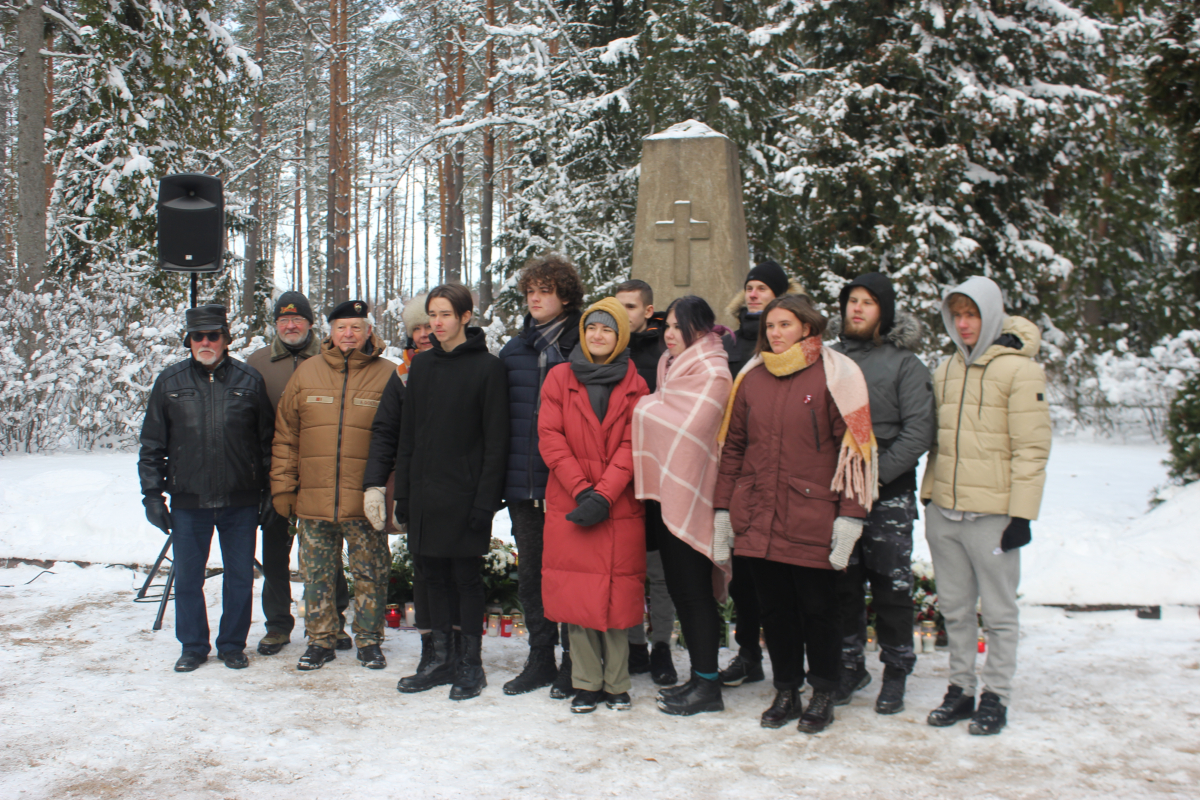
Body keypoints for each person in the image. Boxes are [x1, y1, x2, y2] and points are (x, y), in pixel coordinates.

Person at [715, 294, 874, 733]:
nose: (775, 333)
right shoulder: (751, 378)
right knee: (775, 612)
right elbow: (733, 449)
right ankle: (786, 689)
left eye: (785, 325)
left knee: (819, 610)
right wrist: (723, 509)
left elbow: (855, 454)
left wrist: (850, 516)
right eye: (770, 326)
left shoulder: (839, 376)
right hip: (759, 516)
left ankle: (823, 690)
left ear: (807, 328)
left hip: (813, 516)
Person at [921, 277, 1051, 736]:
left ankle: (996, 695)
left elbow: (1032, 449)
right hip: (946, 513)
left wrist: (1021, 516)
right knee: (955, 609)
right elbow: (933, 439)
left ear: (991, 315)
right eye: (956, 315)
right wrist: (929, 496)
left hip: (993, 517)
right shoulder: (945, 369)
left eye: (972, 314)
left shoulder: (1020, 371)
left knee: (997, 613)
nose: (963, 323)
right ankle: (960, 689)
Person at [139, 304, 275, 672]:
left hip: (240, 500)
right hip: (189, 501)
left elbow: (267, 444)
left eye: (213, 335)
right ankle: (193, 646)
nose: (205, 342)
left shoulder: (249, 381)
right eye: (198, 336)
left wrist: (269, 494)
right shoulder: (170, 382)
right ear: (189, 341)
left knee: (240, 578)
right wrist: (152, 496)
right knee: (186, 579)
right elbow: (152, 446)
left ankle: (232, 644)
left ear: (226, 340)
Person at [394, 283, 509, 701]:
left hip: (464, 496)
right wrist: (403, 493)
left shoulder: (488, 369)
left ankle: (469, 664)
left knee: (464, 579)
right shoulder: (421, 368)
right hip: (425, 495)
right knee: (429, 577)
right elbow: (409, 436)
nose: (437, 323)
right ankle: (439, 658)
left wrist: (485, 502)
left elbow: (496, 443)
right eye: (432, 316)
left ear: (465, 316)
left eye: (445, 315)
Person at [829, 273, 935, 713]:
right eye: (852, 300)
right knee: (843, 584)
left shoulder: (905, 365)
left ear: (884, 311)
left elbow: (918, 432)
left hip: (886, 494)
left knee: (890, 588)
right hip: (836, 493)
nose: (857, 308)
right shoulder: (829, 360)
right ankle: (850, 665)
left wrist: (873, 479)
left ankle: (896, 669)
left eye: (868, 302)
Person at [271, 300, 395, 672]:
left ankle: (370, 640)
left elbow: (401, 438)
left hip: (365, 500)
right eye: (341, 327)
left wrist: (391, 493)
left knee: (371, 572)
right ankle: (321, 639)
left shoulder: (388, 375)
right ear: (329, 332)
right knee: (317, 575)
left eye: (356, 327)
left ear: (368, 332)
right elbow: (286, 436)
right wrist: (283, 486)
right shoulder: (307, 374)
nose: (348, 334)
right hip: (314, 498)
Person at [540, 298, 650, 713]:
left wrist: (604, 494)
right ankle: (586, 682)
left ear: (620, 334)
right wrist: (582, 490)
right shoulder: (559, 378)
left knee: (618, 597)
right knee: (578, 597)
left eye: (606, 329)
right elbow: (550, 437)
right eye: (591, 329)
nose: (598, 336)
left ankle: (617, 683)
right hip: (571, 501)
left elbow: (633, 444)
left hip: (618, 505)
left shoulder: (636, 384)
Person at [632, 295, 733, 716]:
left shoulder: (714, 372)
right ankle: (698, 677)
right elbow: (665, 416)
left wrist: (645, 406)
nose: (669, 334)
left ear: (701, 329)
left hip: (697, 497)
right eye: (667, 325)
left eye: (678, 326)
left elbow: (689, 432)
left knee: (694, 595)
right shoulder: (668, 368)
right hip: (665, 495)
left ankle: (708, 685)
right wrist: (654, 406)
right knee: (680, 590)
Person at [498, 254, 585, 698]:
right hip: (524, 484)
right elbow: (502, 422)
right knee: (531, 574)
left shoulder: (584, 346)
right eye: (530, 290)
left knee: (568, 574)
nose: (534, 297)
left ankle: (575, 661)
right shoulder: (514, 350)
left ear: (565, 296)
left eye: (545, 290)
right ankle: (540, 657)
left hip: (569, 485)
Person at [246, 291, 351, 657]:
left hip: (322, 474)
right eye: (283, 320)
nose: (291, 326)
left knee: (326, 553)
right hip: (274, 476)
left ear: (310, 323)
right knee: (275, 552)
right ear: (276, 324)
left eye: (298, 319)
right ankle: (277, 625)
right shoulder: (256, 364)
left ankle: (331, 621)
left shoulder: (328, 359)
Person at [718, 259, 806, 688]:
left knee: (792, 577)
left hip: (789, 474)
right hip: (744, 471)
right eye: (749, 287)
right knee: (745, 578)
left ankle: (798, 660)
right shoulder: (732, 343)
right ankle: (748, 653)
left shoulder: (795, 346)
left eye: (763, 289)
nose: (754, 294)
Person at [614, 279, 678, 685]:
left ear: (649, 311)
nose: (624, 314)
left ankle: (663, 648)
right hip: (619, 474)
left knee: (659, 569)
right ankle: (634, 645)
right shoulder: (606, 349)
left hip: (657, 474)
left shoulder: (665, 355)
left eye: (631, 307)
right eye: (618, 306)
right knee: (627, 566)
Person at [400, 292, 434, 378]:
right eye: (417, 328)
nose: (423, 334)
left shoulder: (458, 365)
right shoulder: (401, 374)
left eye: (429, 326)